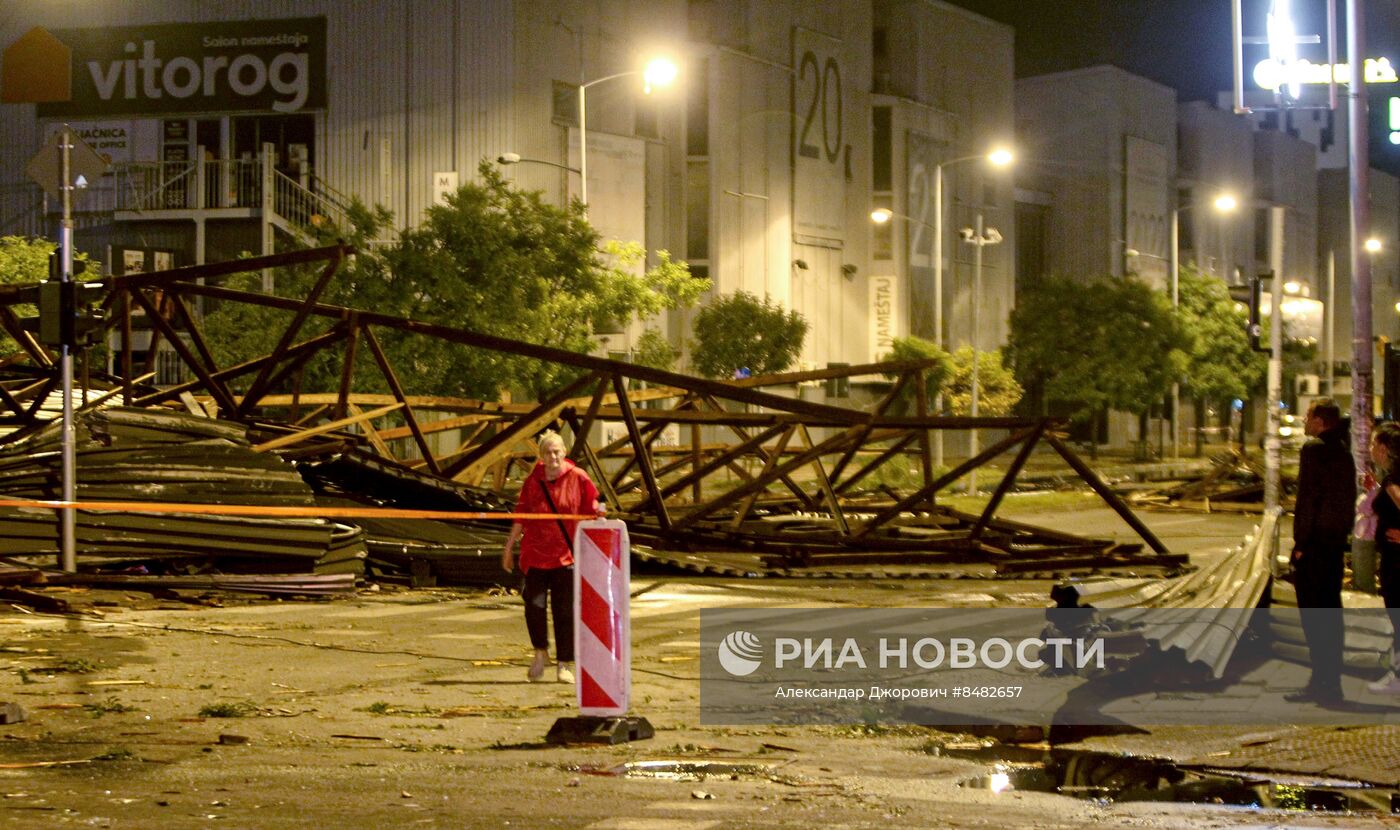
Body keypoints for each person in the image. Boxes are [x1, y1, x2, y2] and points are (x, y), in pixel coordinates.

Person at [500, 431, 604, 683]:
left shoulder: (578, 478)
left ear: (564, 453)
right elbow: (521, 513)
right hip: (535, 554)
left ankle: (564, 664)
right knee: (533, 606)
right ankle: (540, 653)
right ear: (541, 456)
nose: (553, 456)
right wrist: (508, 546)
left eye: (556, 451)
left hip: (566, 556)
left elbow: (594, 509)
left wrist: (600, 537)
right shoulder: (533, 481)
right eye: (547, 452)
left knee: (564, 611)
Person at [1285, 398, 1353, 704]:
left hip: (1314, 550)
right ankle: (1331, 682)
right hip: (1334, 549)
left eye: (1308, 415)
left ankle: (1320, 681)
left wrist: (1301, 545)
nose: (1303, 419)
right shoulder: (1344, 454)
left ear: (1320, 421)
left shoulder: (1313, 451)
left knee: (1313, 618)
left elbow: (1308, 502)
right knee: (1331, 616)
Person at [1366, 422, 1400, 694]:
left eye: (1372, 443)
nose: (1369, 449)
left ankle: (1397, 678)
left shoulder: (1394, 481)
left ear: (1384, 448)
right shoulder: (1389, 478)